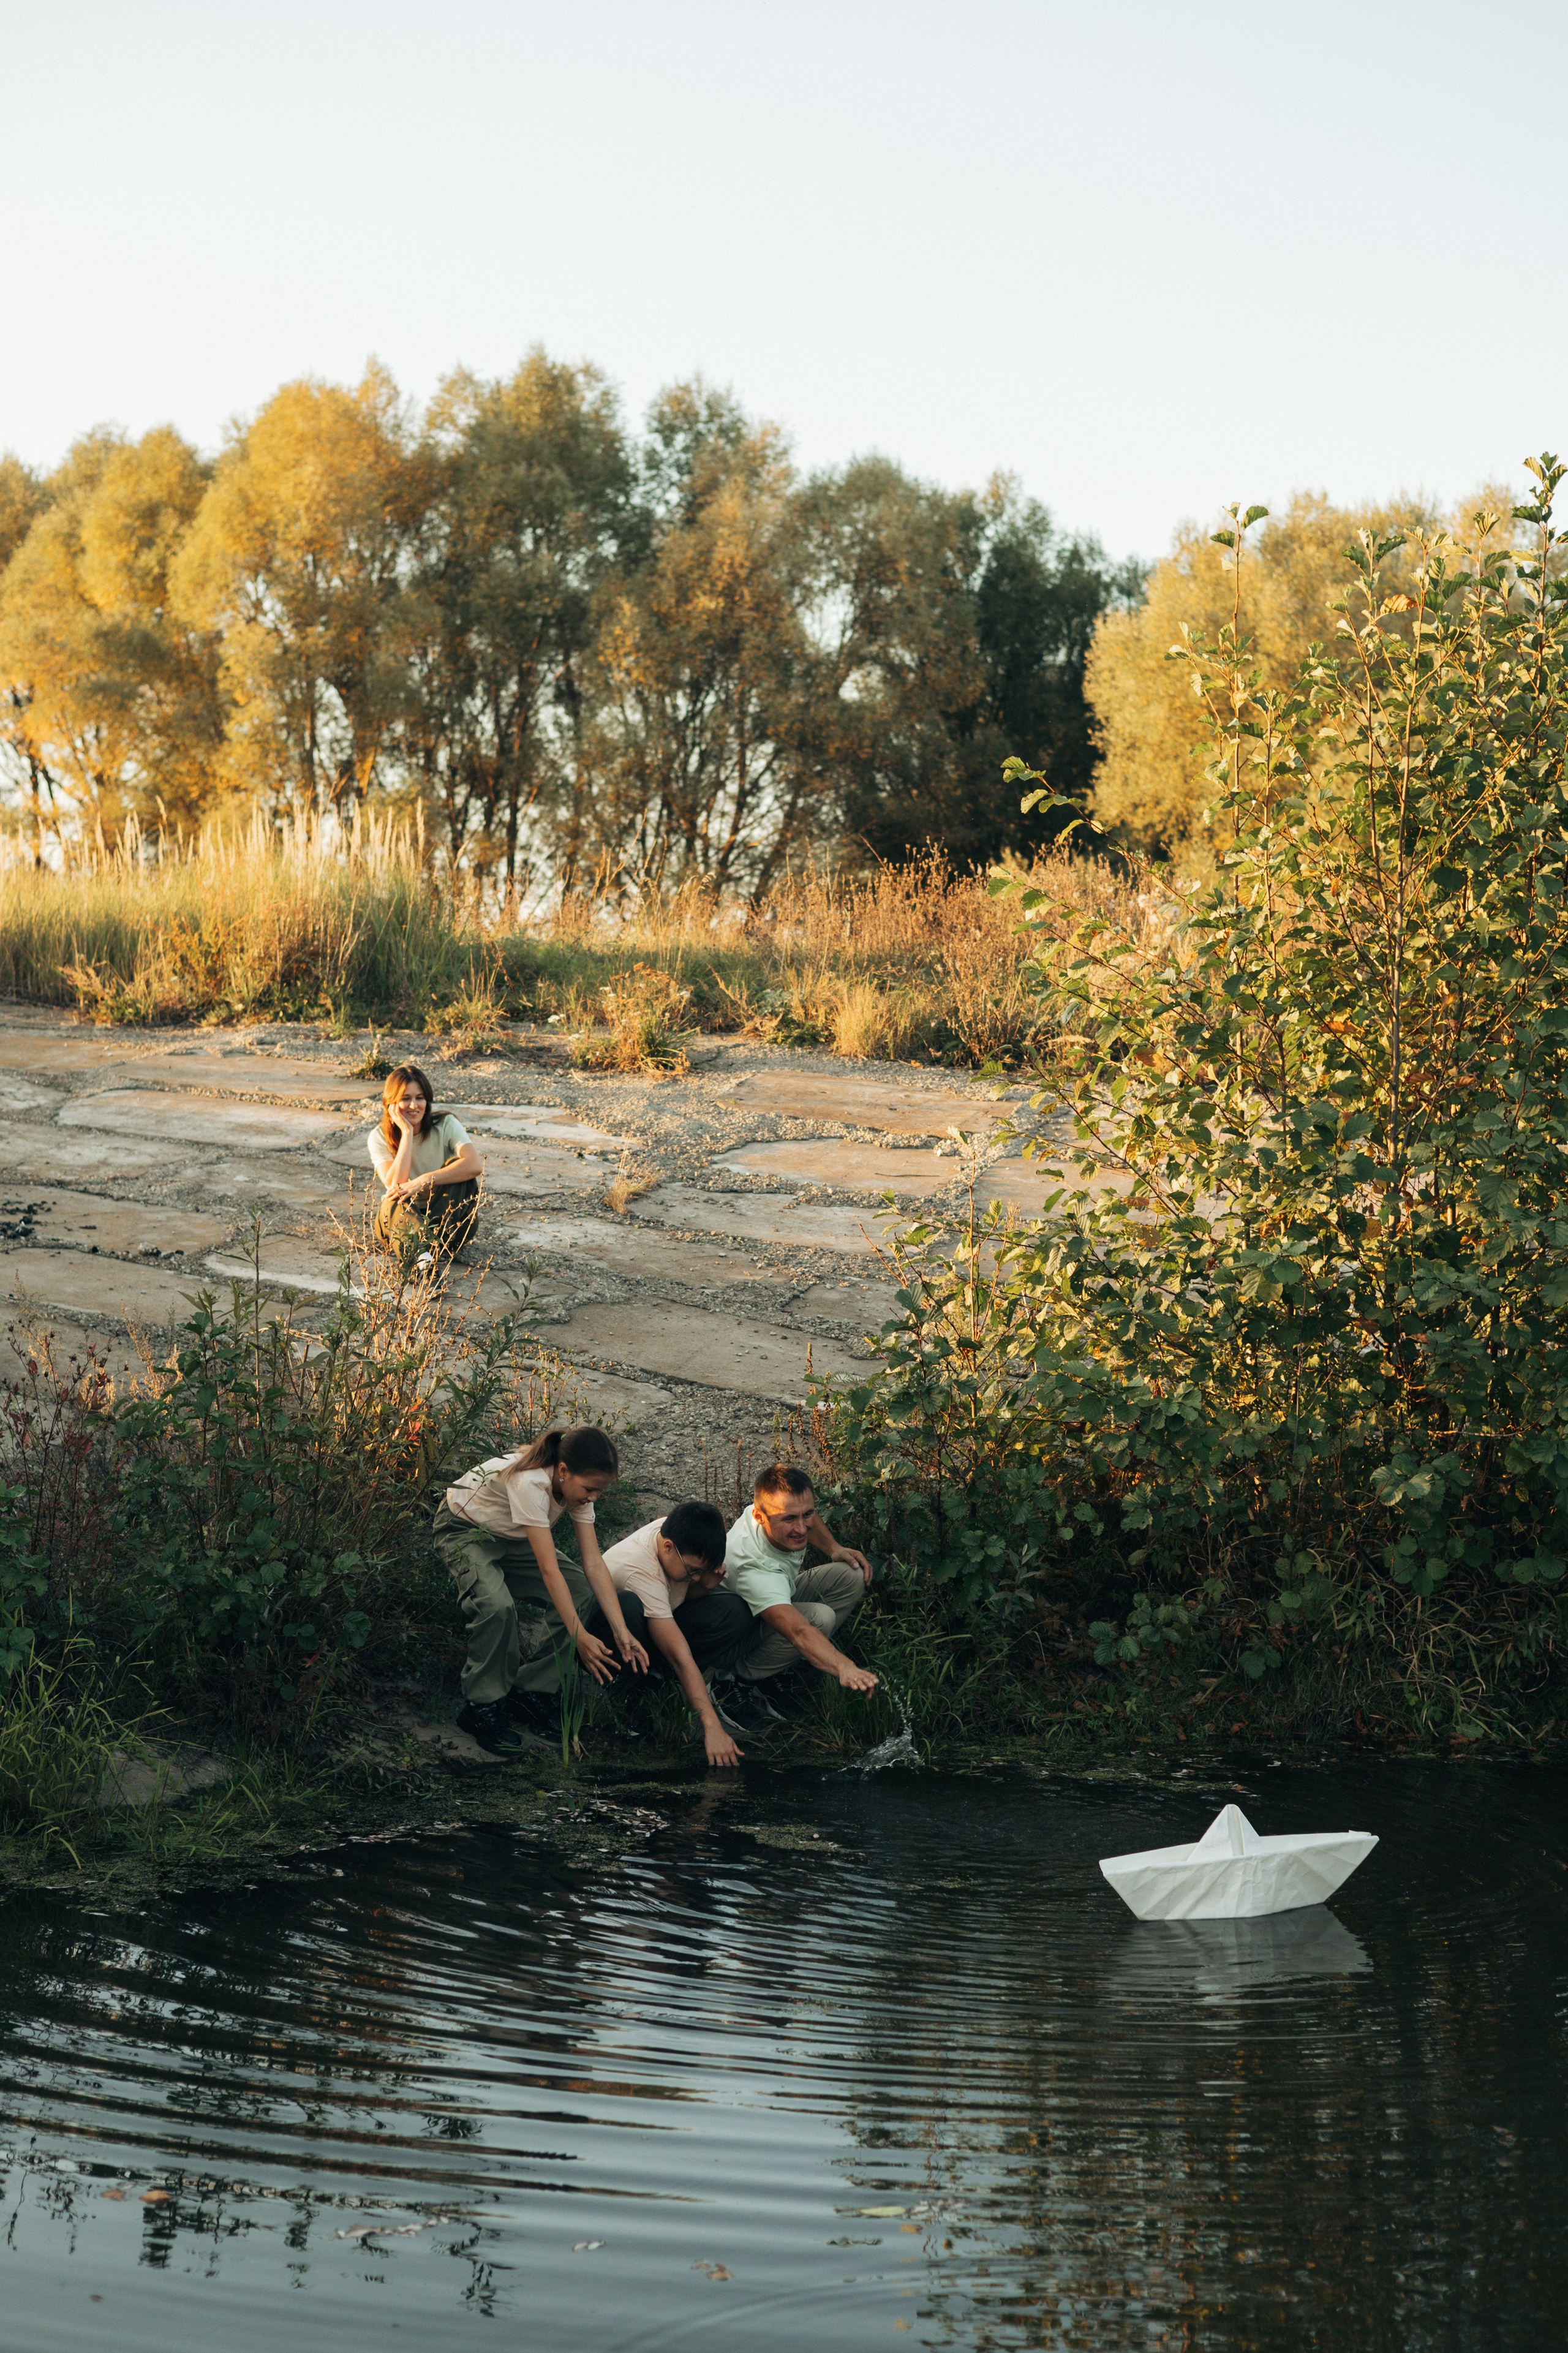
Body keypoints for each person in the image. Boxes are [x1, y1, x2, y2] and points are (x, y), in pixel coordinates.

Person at [432, 1424, 650, 1755]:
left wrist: (621, 1631)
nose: (594, 1498)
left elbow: (592, 1563)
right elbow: (549, 1571)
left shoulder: (576, 1487)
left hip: (513, 1537)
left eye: (600, 1491)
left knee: (580, 1593)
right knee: (496, 1607)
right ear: (563, 1471)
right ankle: (481, 1708)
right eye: (591, 1489)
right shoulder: (530, 1482)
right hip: (465, 1531)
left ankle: (532, 1691)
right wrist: (580, 1636)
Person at [585, 1500, 754, 1768]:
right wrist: (711, 1727)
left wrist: (705, 1585)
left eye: (702, 1571)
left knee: (734, 1611)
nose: (696, 1578)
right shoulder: (640, 1571)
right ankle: (625, 1690)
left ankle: (660, 1679)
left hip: (654, 1626)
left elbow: (680, 1598)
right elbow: (679, 1655)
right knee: (628, 1605)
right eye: (694, 1572)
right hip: (610, 1637)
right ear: (668, 1548)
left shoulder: (676, 1537)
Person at [717, 1464, 879, 1735]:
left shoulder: (773, 1510)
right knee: (818, 1619)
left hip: (773, 1597)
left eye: (808, 1514)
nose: (802, 1529)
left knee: (850, 1574)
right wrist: (845, 1668)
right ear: (759, 1516)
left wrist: (834, 1548)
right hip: (729, 1638)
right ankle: (736, 1682)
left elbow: (800, 1518)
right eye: (789, 1519)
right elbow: (799, 1631)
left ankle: (773, 1671)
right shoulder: (752, 1567)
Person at [368, 1063, 484, 1271]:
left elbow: (475, 1164)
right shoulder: (378, 1137)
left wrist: (425, 1180)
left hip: (447, 1222)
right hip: (400, 1225)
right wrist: (406, 1134)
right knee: (393, 1198)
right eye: (405, 1099)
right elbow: (395, 1184)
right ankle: (424, 1262)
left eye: (419, 1098)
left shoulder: (446, 1124)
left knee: (459, 1167)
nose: (414, 1105)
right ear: (391, 1104)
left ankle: (425, 1249)